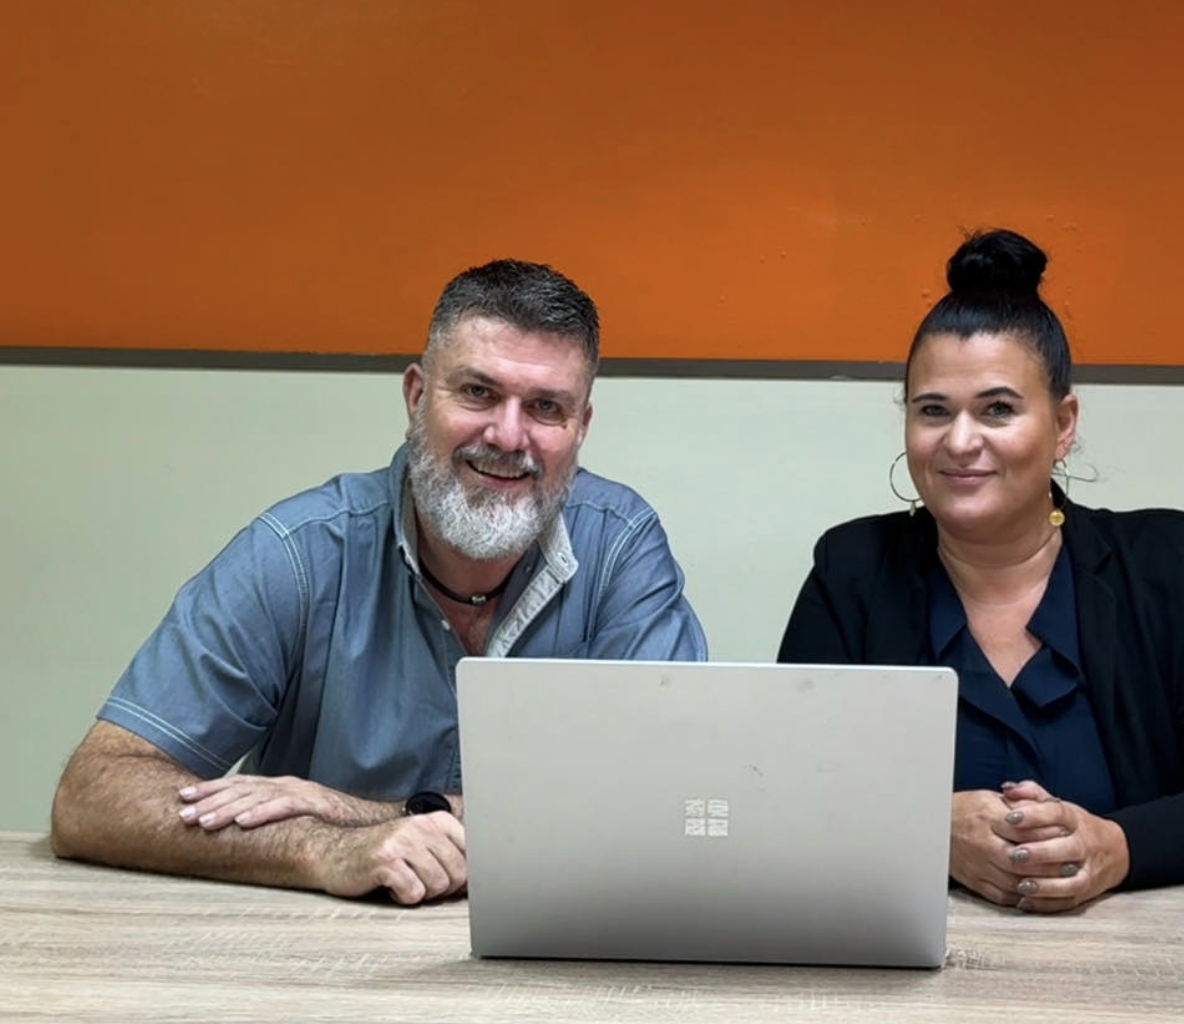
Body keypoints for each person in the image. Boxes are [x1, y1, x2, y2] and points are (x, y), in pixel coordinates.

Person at [51, 259, 707, 904]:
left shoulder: (620, 549)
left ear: (581, 427)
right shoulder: (298, 554)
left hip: (549, 959)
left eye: (545, 407)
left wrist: (352, 811)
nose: (510, 436)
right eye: (477, 392)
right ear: (418, 397)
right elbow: (94, 796)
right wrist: (322, 849)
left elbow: (664, 805)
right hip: (309, 967)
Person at [778, 230, 1184, 913]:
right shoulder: (851, 572)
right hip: (919, 972)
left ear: (1063, 425)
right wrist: (930, 829)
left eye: (998, 409)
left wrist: (1115, 847)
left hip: (1142, 974)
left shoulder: (1166, 563)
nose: (960, 441)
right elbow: (786, 789)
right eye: (932, 411)